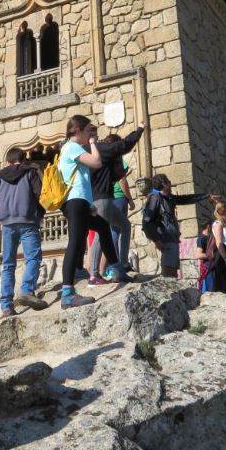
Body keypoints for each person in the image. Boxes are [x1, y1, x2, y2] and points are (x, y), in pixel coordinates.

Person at [58, 115, 128, 309]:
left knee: (103, 227)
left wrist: (89, 204)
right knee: (75, 243)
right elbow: (96, 162)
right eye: (88, 129)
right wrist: (92, 143)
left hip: (80, 202)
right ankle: (67, 294)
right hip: (75, 202)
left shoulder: (69, 148)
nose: (91, 133)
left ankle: (117, 269)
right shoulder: (72, 147)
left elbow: (78, 179)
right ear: (78, 130)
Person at [0, 147, 49, 317]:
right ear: (23, 159)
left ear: (8, 161)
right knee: (32, 258)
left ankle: (6, 306)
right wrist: (40, 214)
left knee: (8, 264)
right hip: (28, 222)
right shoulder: (31, 172)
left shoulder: (0, 175)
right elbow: (40, 196)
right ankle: (26, 290)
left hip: (7, 225)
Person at [86, 124, 145, 283]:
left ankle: (122, 265)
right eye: (93, 132)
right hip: (101, 199)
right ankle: (94, 274)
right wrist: (139, 130)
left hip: (104, 199)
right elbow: (124, 145)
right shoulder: (101, 150)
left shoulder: (93, 152)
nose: (96, 136)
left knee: (124, 225)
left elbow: (115, 175)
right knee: (100, 233)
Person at [141, 174, 208, 278]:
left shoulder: (168, 198)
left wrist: (206, 196)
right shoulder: (155, 197)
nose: (170, 184)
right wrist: (156, 240)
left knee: (173, 270)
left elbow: (186, 199)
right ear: (164, 184)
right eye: (168, 182)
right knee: (169, 270)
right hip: (166, 238)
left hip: (171, 238)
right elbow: (146, 222)